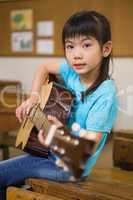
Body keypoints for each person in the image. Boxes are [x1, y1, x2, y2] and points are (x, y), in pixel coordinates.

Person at [0, 10, 118, 199]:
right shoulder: (72, 72)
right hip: (49, 153)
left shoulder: (105, 96)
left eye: (86, 45)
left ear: (105, 49)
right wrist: (33, 97)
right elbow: (43, 67)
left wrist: (58, 134)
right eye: (70, 46)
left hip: (68, 168)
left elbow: (86, 151)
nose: (76, 55)